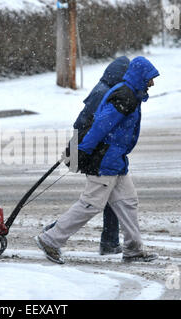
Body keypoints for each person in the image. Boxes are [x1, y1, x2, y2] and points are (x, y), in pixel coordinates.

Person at [35, 56, 160, 264]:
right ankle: (50, 239)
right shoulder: (125, 96)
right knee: (90, 204)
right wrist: (82, 150)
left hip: (116, 160)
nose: (152, 82)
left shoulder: (131, 94)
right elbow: (101, 125)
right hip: (105, 160)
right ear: (140, 76)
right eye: (150, 78)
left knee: (128, 202)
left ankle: (133, 249)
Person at [44, 56, 131, 255]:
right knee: (92, 202)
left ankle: (109, 241)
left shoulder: (105, 89)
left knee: (105, 199)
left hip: (103, 153)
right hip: (99, 155)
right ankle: (55, 232)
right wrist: (78, 151)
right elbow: (88, 125)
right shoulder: (107, 93)